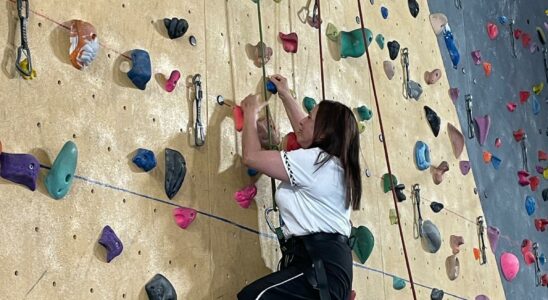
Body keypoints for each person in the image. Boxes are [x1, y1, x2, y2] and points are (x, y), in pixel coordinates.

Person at [237, 74, 362, 300]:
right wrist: (285, 94)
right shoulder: (332, 166)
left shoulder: (319, 163)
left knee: (255, 297)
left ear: (324, 132)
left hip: (322, 267)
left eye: (310, 118)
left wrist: (250, 114)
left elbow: (251, 157)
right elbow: (306, 132)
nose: (301, 122)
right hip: (324, 268)